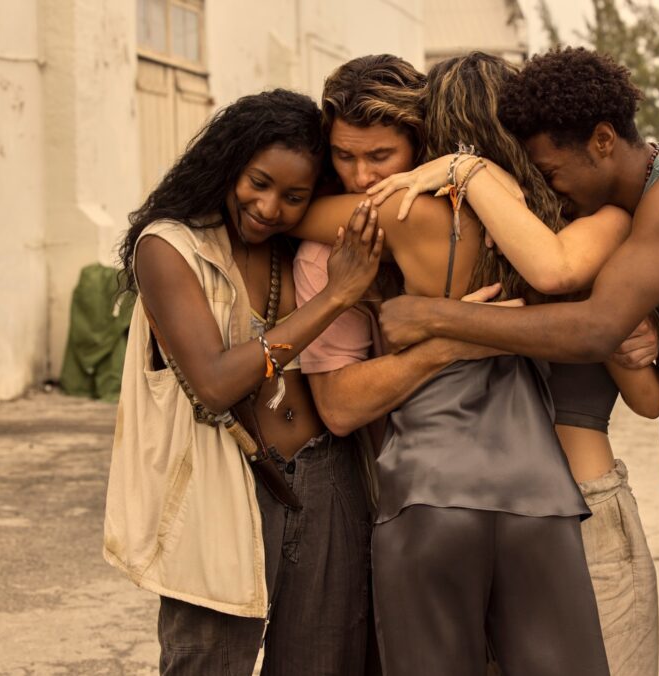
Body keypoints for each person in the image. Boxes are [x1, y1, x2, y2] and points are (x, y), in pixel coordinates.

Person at [371, 47, 659, 676]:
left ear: (601, 140)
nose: (549, 186)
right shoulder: (640, 208)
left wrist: (435, 317)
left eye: (552, 170)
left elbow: (594, 331)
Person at [290, 53, 616, 675]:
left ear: (427, 136)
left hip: (427, 486)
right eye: (344, 157)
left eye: (379, 159)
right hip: (539, 488)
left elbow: (288, 212)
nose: (362, 178)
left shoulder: (397, 214)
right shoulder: (558, 219)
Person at [103, 90, 384, 675]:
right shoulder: (170, 247)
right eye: (258, 182)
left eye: (294, 196)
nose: (269, 206)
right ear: (228, 163)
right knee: (209, 663)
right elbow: (213, 382)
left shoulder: (294, 246)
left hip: (325, 477)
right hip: (221, 488)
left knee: (324, 662)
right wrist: (337, 296)